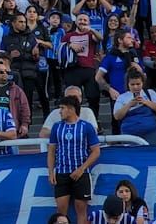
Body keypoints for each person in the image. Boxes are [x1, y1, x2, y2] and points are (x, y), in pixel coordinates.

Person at [48, 96, 101, 224]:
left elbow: (96, 151)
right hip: (61, 173)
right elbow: (51, 151)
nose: (59, 111)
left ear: (71, 109)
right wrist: (51, 172)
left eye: (62, 108)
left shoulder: (86, 127)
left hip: (81, 174)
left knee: (81, 211)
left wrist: (81, 169)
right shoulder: (56, 127)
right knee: (60, 212)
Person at [112, 70, 156, 145]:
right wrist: (129, 105)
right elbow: (117, 116)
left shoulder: (150, 93)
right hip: (129, 135)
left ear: (142, 83)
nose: (135, 87)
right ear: (128, 84)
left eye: (138, 84)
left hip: (152, 133)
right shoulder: (122, 97)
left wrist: (145, 102)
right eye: (132, 84)